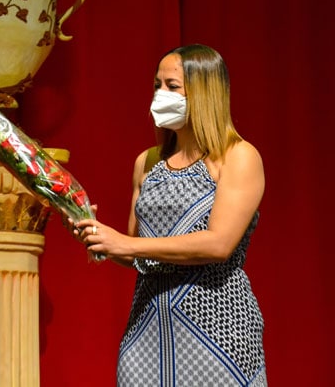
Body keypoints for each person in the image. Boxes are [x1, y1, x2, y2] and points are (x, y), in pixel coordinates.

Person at [73, 44, 267, 386]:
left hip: (218, 331)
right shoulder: (147, 162)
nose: (159, 94)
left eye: (171, 86)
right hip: (147, 328)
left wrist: (126, 245)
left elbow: (219, 244)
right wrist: (98, 236)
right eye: (156, 85)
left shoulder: (238, 156)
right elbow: (136, 251)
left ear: (204, 92)